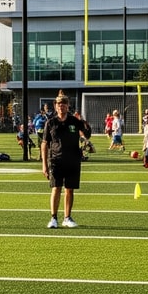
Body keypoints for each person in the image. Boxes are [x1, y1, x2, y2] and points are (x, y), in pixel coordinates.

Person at [40, 94, 90, 229]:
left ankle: (67, 217)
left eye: (64, 104)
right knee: (56, 188)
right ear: (55, 106)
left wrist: (84, 123)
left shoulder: (74, 121)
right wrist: (44, 164)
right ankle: (53, 218)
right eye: (59, 104)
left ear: (68, 106)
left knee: (70, 190)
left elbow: (87, 135)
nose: (61, 106)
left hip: (73, 160)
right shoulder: (50, 123)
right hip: (56, 160)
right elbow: (44, 144)